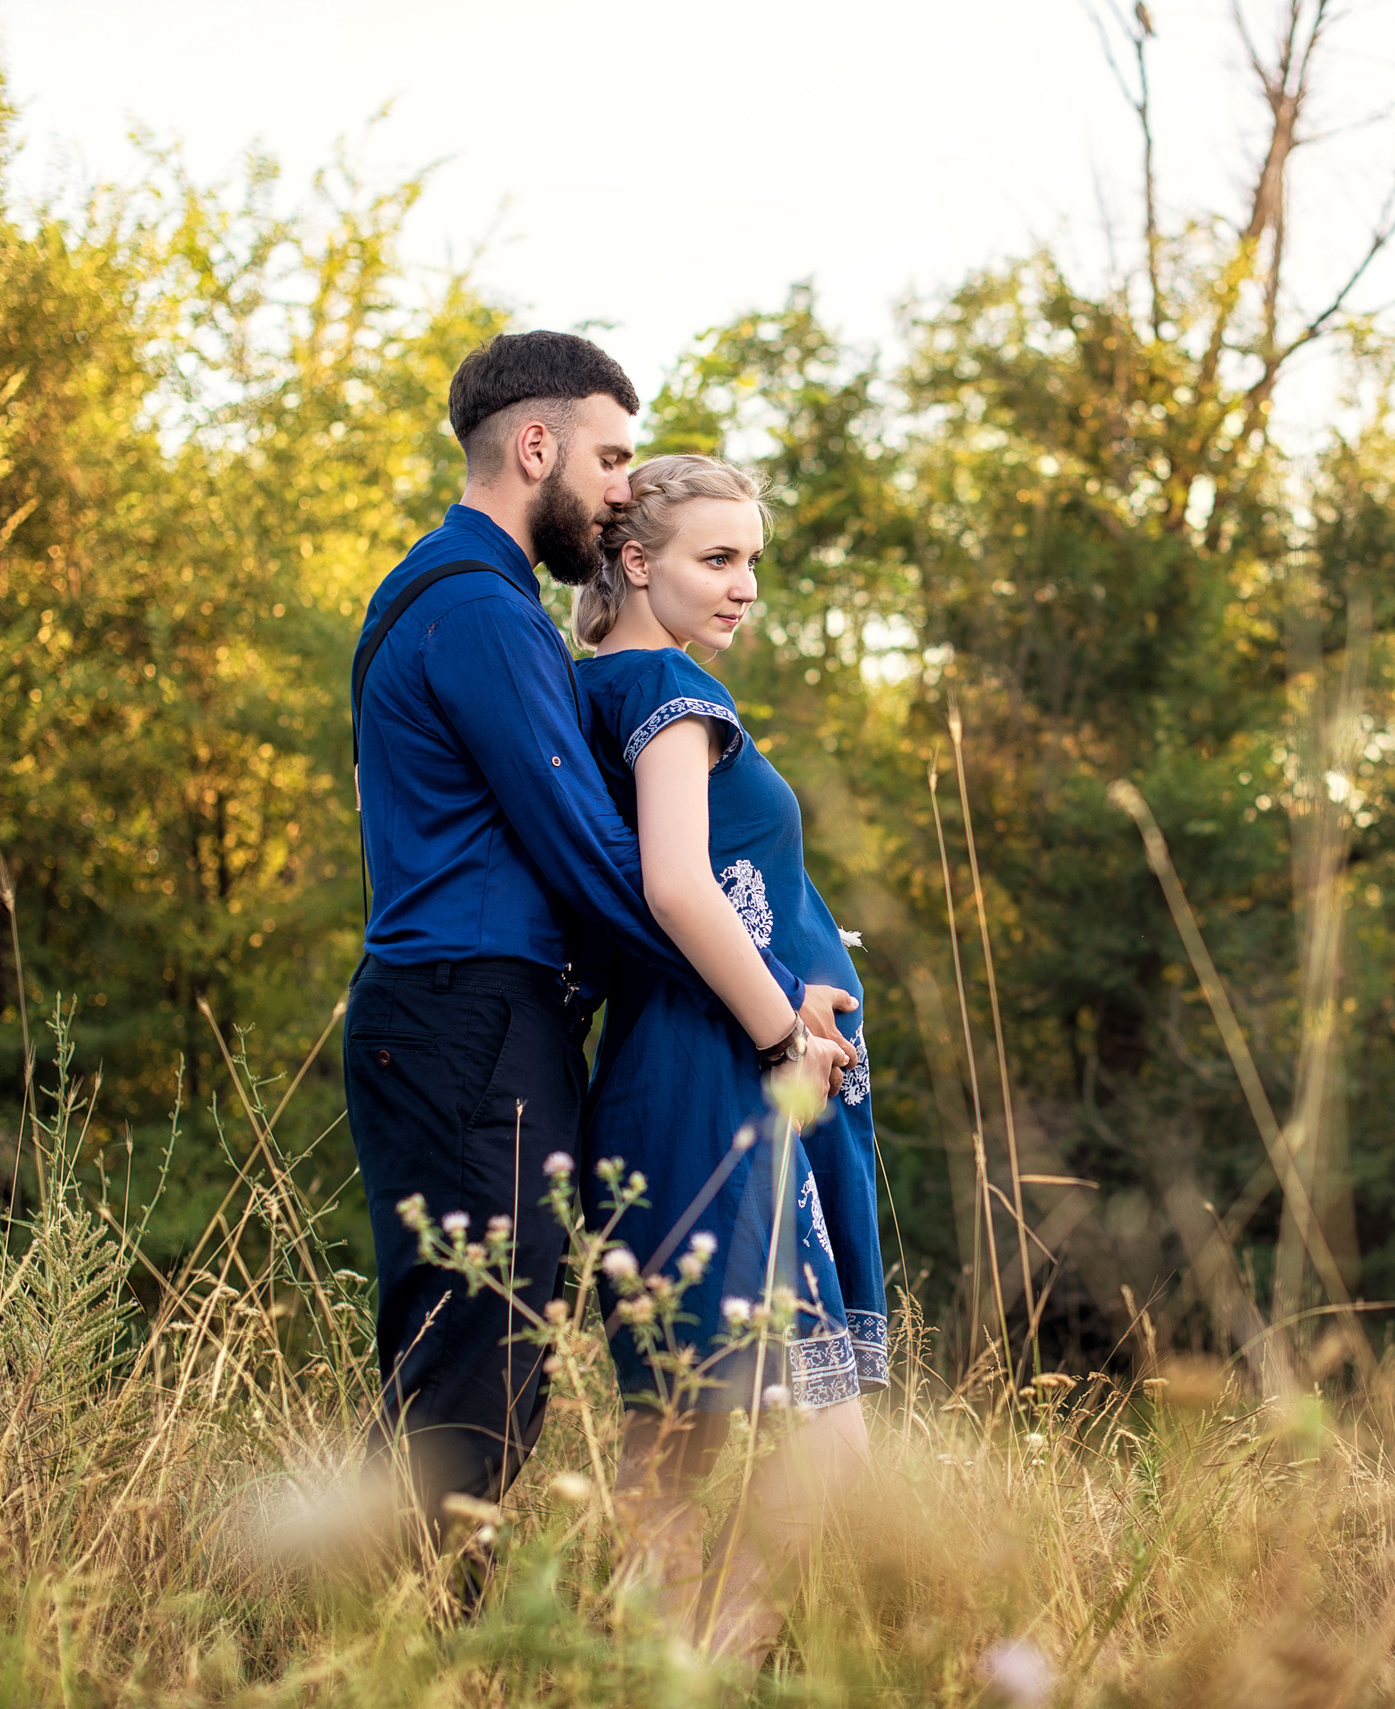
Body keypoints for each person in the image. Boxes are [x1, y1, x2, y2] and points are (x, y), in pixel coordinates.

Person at [341, 333, 857, 1570]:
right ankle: (388, 1634)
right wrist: (770, 1006)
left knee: (486, 1343)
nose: (625, 485)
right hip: (467, 1010)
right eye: (612, 455)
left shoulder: (461, 598)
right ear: (536, 447)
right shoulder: (477, 608)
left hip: (466, 1011)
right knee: (477, 1351)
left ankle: (395, 1624)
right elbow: (597, 855)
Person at [571, 454, 887, 1661]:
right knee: (827, 1436)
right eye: (718, 557)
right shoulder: (671, 694)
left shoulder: (598, 683)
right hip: (721, 1076)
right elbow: (677, 885)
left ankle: (663, 1666)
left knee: (678, 1425)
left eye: (752, 557)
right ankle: (726, 1646)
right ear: (638, 562)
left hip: (661, 1071)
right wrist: (783, 1029)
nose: (744, 583)